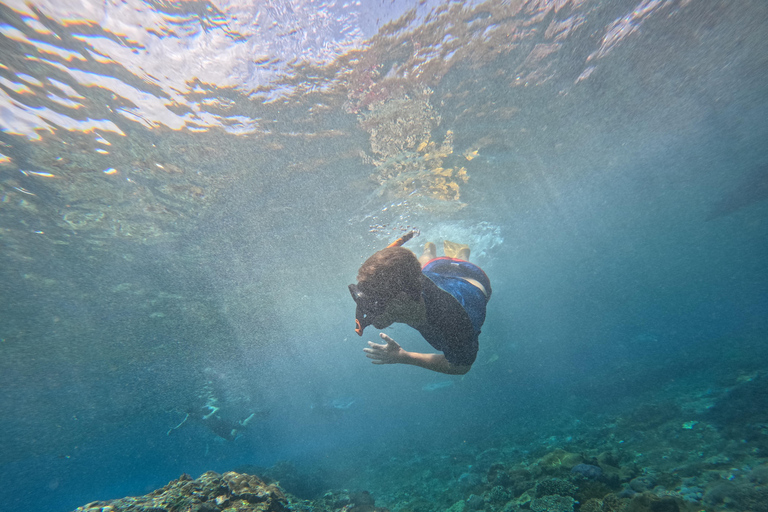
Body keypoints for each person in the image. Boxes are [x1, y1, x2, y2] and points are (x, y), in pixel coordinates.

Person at [348, 233, 491, 375]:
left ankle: (461, 254)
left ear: (402, 300)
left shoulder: (454, 323)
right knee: (424, 265)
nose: (368, 311)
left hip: (470, 276)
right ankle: (429, 249)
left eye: (374, 303)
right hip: (433, 271)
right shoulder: (404, 285)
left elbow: (460, 367)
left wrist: (404, 357)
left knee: (461, 261)